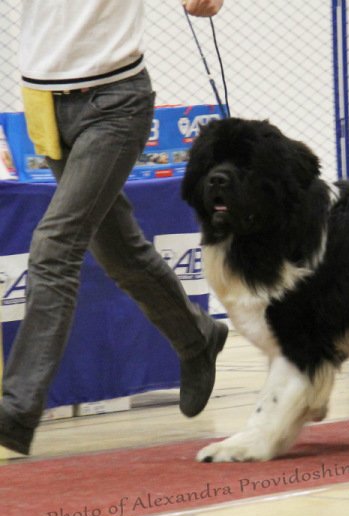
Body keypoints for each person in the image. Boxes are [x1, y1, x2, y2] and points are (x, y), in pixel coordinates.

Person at [0, 0, 227, 456]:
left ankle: (16, 409)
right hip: (44, 103)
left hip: (116, 103)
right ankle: (197, 336)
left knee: (54, 244)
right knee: (118, 249)